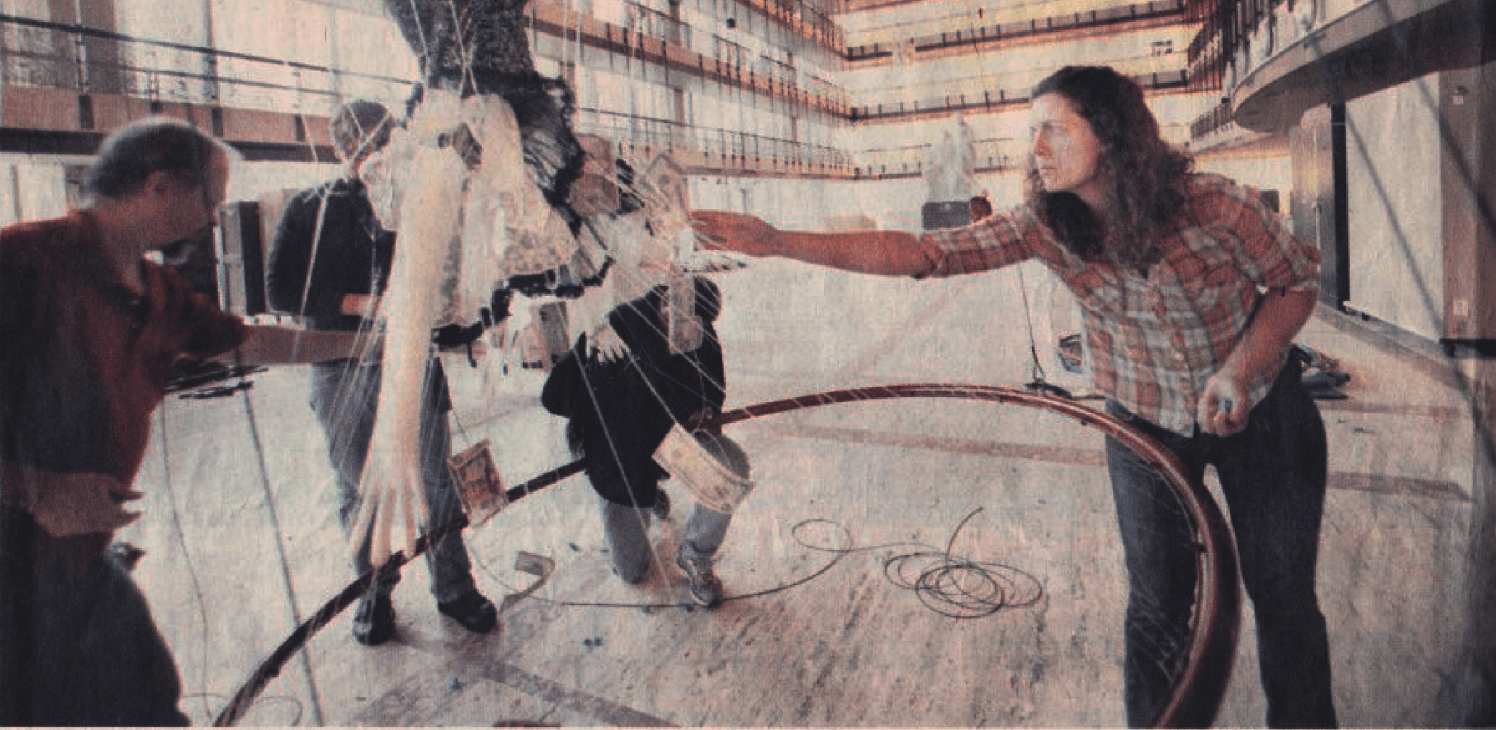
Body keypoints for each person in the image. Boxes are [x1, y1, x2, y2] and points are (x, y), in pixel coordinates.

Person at [692, 64, 1336, 728]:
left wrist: (1240, 367)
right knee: (1156, 610)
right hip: (1143, 430)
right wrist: (778, 241)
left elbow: (1295, 283)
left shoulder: (1218, 205)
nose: (1037, 149)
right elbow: (924, 253)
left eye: (1054, 130)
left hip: (1265, 418)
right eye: (1033, 133)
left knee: (1284, 601)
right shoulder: (1044, 223)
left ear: (1111, 134)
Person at [0, 118, 373, 726]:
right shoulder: (24, 260)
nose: (210, 220)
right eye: (209, 202)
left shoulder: (158, 291)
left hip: (76, 558)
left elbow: (253, 342)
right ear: (160, 186)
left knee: (151, 695)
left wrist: (370, 345)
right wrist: (38, 491)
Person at [265, 99, 497, 646]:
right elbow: (278, 291)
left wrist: (465, 315)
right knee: (357, 487)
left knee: (436, 478)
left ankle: (455, 588)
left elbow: (448, 279)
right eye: (364, 142)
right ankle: (374, 593)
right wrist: (362, 304)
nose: (375, 151)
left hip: (411, 361)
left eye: (384, 139)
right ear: (343, 148)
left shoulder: (417, 202)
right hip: (339, 366)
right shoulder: (308, 207)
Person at [540, 277, 747, 608]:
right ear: (664, 300)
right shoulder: (620, 324)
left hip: (673, 442)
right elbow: (560, 399)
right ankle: (645, 497)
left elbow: (713, 389)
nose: (684, 326)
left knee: (730, 464)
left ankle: (696, 554)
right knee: (631, 571)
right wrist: (587, 347)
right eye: (674, 313)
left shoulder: (698, 326)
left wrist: (707, 412)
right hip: (622, 456)